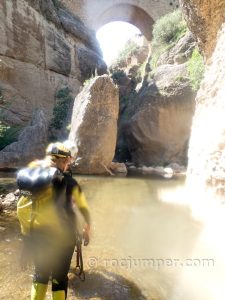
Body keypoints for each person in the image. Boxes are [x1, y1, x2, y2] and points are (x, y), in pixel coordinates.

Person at [17, 141, 91, 300]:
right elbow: (84, 210)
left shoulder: (35, 181)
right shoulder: (70, 182)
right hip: (63, 241)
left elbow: (22, 210)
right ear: (64, 161)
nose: (68, 165)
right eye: (68, 162)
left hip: (37, 237)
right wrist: (86, 230)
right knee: (59, 279)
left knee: (40, 275)